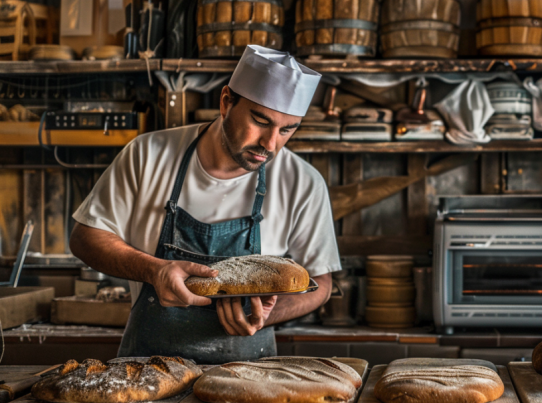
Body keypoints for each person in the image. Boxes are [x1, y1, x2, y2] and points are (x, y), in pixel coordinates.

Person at [69, 45, 340, 363]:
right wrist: (156, 271)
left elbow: (320, 284)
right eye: (260, 121)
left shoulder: (303, 182)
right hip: (148, 373)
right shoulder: (148, 154)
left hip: (250, 378)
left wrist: (265, 312)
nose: (270, 144)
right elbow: (85, 237)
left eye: (286, 130)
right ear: (226, 102)